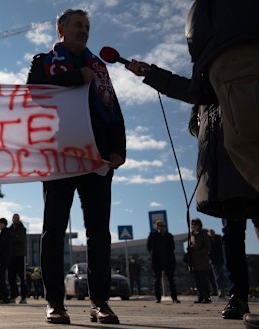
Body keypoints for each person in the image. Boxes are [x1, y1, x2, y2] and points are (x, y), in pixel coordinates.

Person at [126, 34, 259, 321]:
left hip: (250, 151)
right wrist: (150, 72)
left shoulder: (246, 62)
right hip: (223, 163)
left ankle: (237, 296)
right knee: (232, 233)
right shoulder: (207, 76)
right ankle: (238, 296)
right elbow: (186, 89)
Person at [26, 8, 126, 325]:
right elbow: (32, 96)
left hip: (97, 159)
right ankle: (55, 302)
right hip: (58, 157)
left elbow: (114, 108)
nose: (83, 30)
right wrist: (73, 78)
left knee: (99, 232)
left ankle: (100, 301)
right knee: (54, 230)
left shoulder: (99, 68)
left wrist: (118, 149)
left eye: (87, 26)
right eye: (77, 25)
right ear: (61, 28)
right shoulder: (42, 62)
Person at [147, 220, 180, 304]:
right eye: (159, 225)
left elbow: (172, 248)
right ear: (156, 226)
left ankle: (174, 298)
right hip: (157, 261)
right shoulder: (152, 235)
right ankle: (158, 298)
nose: (161, 227)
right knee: (157, 280)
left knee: (171, 280)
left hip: (168, 261)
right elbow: (149, 247)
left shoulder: (169, 236)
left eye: (163, 226)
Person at [188, 218, 212, 303]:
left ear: (199, 225)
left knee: (203, 280)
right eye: (192, 224)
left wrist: (198, 253)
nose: (193, 226)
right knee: (197, 281)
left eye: (195, 224)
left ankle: (207, 297)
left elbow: (208, 247)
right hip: (194, 262)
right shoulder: (190, 235)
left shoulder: (203, 234)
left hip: (202, 261)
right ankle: (200, 297)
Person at [8, 213, 27, 304]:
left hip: (20, 255)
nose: (15, 219)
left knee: (22, 278)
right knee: (11, 278)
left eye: (17, 218)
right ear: (12, 219)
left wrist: (11, 239)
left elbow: (20, 240)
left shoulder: (22, 229)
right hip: (11, 256)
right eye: (14, 218)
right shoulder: (9, 229)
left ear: (19, 219)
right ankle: (13, 296)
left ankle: (23, 297)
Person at [208, 229, 228, 298]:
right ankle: (221, 290)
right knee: (217, 277)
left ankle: (225, 290)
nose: (212, 234)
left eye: (213, 232)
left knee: (223, 275)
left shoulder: (219, 239)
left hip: (221, 259)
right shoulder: (208, 241)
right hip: (213, 261)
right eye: (210, 233)